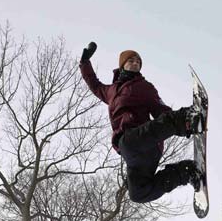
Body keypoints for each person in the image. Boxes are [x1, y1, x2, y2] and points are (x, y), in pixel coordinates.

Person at [79, 42, 206, 204]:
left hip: (143, 141)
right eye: (131, 60)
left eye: (138, 62)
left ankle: (187, 119)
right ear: (122, 65)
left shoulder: (144, 87)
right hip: (133, 153)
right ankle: (186, 172)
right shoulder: (111, 91)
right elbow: (94, 84)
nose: (135, 63)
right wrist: (84, 63)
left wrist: (182, 121)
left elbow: (160, 110)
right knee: (138, 193)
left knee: (126, 142)